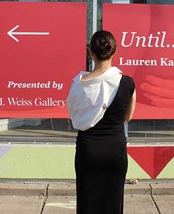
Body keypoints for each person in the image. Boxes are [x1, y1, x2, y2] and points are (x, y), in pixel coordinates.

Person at [67, 30, 136, 214]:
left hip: (88, 150)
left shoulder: (78, 84)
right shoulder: (128, 83)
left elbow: (74, 118)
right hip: (115, 150)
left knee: (87, 201)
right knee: (113, 202)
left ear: (91, 52)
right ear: (114, 52)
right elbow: (127, 117)